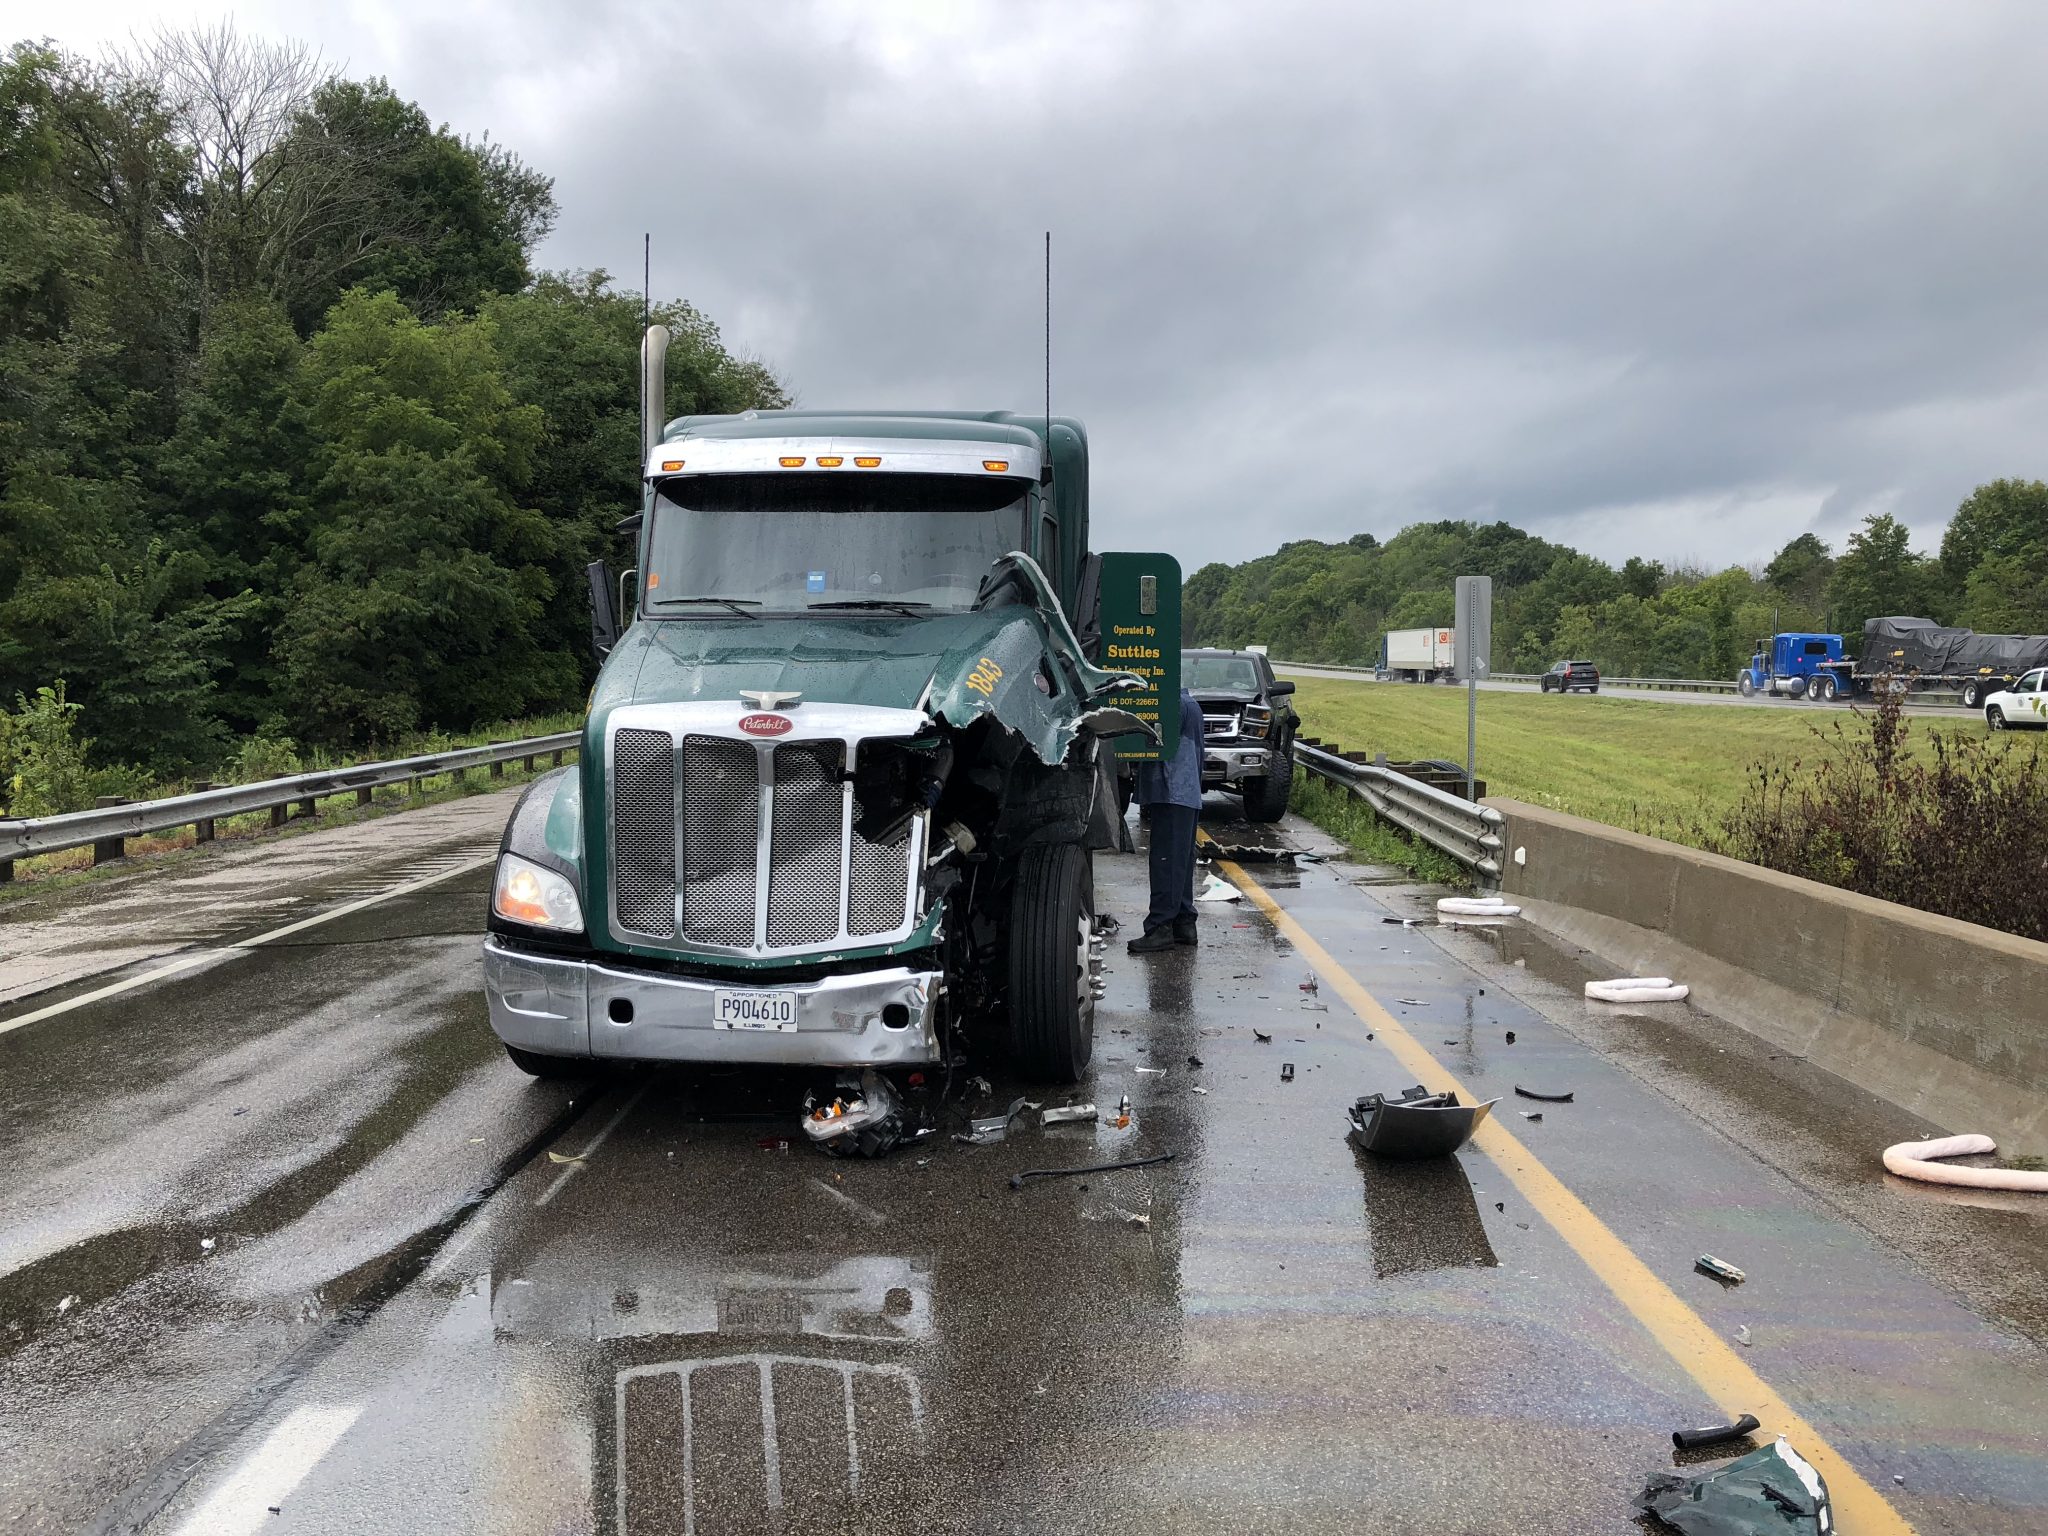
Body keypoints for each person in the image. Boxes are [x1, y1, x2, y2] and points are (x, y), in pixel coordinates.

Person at [1128, 687, 1206, 954]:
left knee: (1165, 861)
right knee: (1180, 860)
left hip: (1172, 789)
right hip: (1186, 790)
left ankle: (1160, 928)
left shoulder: (1169, 706)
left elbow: (1152, 743)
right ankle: (1184, 924)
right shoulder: (1190, 703)